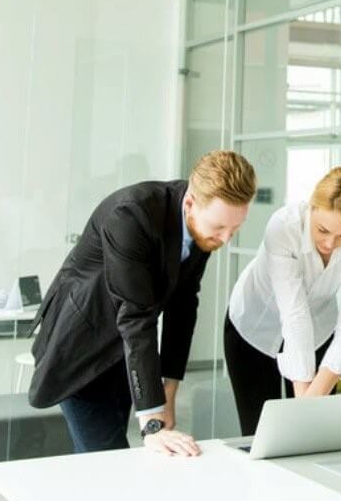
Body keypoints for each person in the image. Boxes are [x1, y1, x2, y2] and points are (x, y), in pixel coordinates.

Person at [29, 151, 257, 456]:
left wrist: (169, 391)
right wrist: (153, 421)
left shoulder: (201, 224)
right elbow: (137, 317)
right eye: (219, 227)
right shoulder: (131, 215)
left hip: (126, 353)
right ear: (190, 203)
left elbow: (183, 306)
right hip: (81, 346)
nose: (226, 238)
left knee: (107, 460)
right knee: (107, 459)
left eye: (235, 228)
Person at [224, 166, 341, 435]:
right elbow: (294, 317)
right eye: (323, 230)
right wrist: (305, 403)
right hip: (254, 329)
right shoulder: (283, 226)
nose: (330, 244)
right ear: (311, 208)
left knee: (314, 435)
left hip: (318, 330)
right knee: (262, 436)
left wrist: (308, 403)